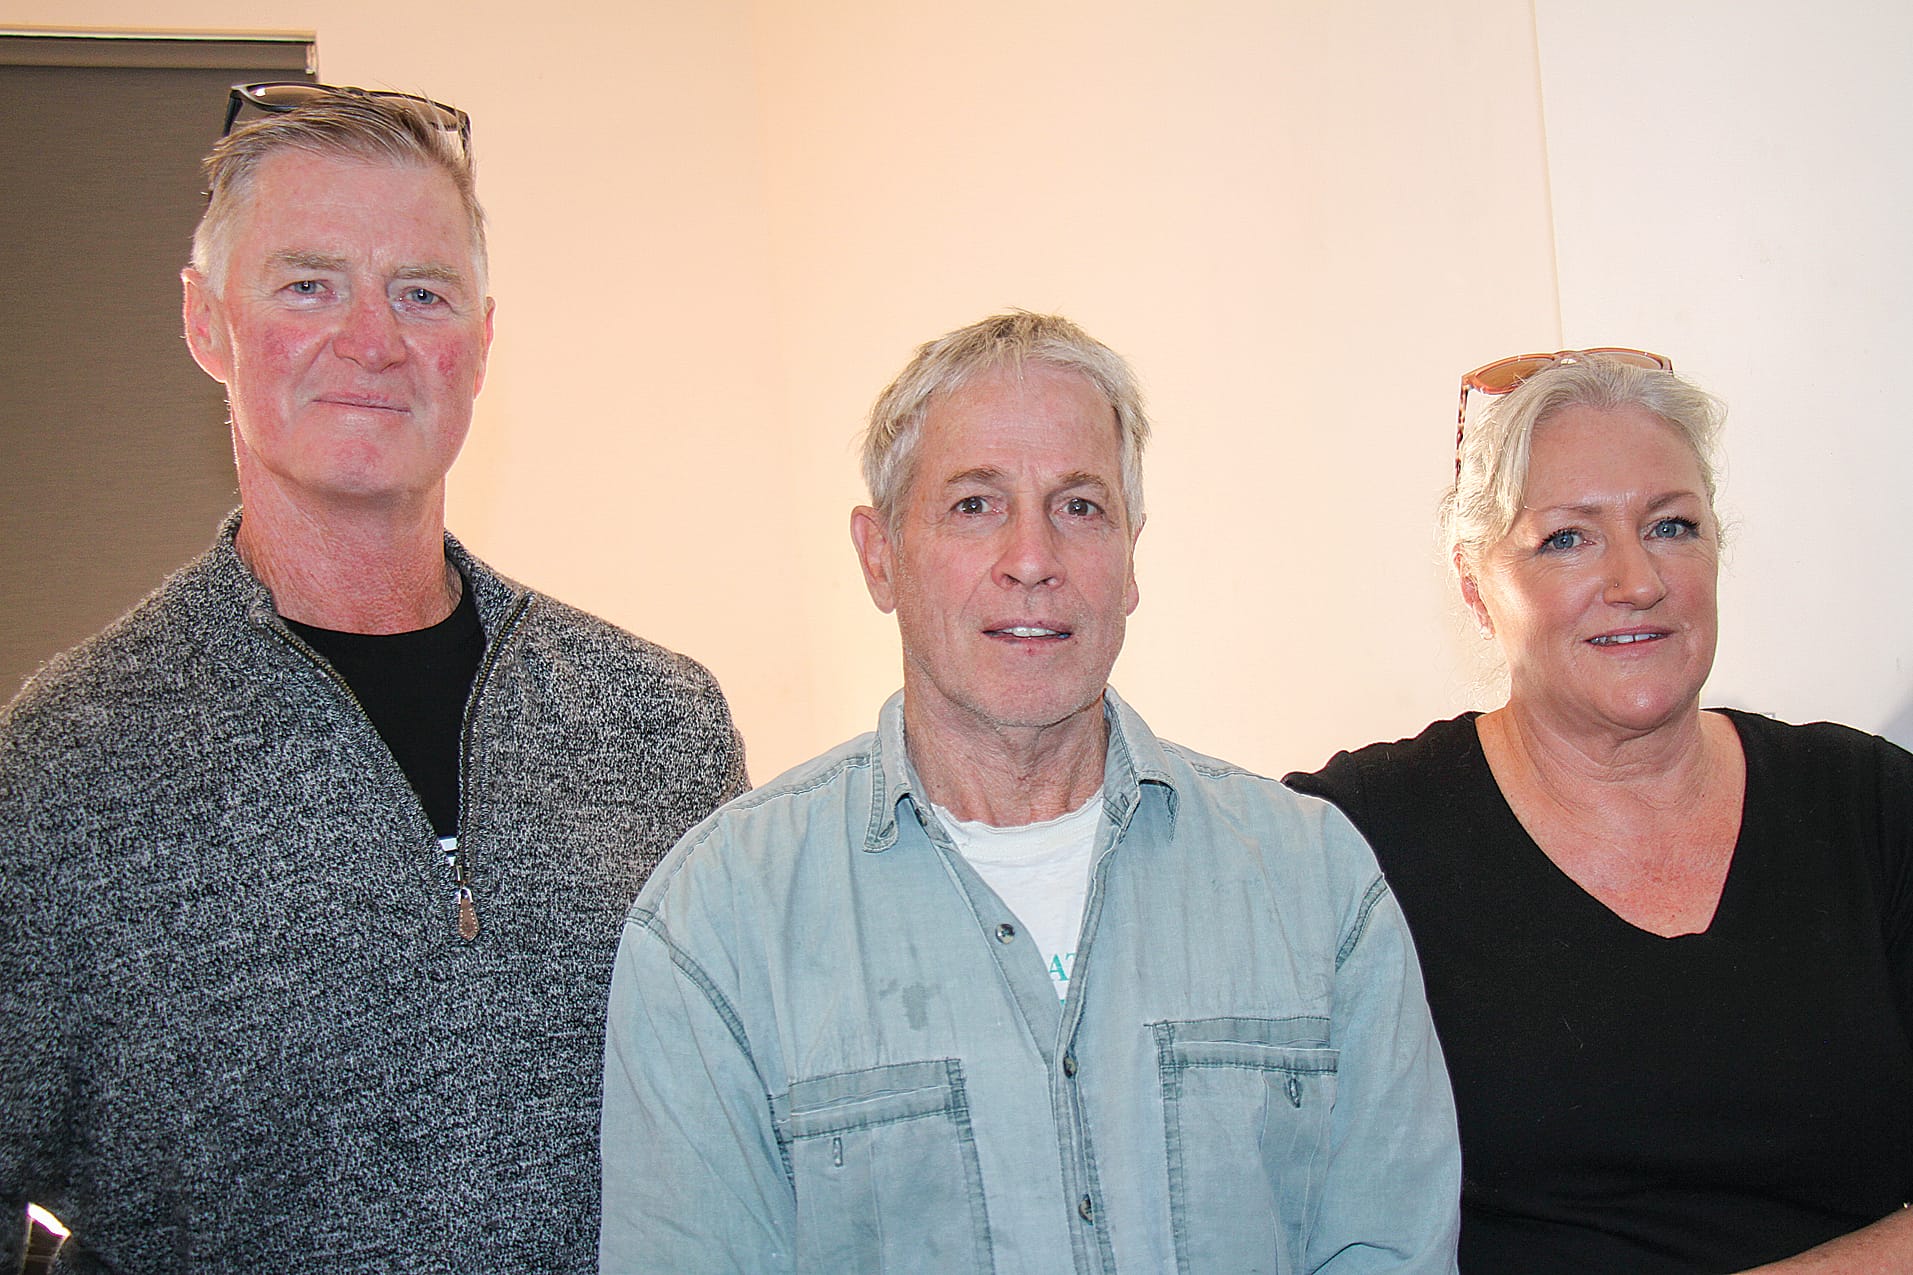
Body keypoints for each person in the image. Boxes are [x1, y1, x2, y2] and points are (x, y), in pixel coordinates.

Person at [0, 85, 746, 1273]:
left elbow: (751, 1152)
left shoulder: (661, 725)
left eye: (422, 293)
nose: (373, 340)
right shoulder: (55, 777)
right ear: (206, 325)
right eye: (308, 285)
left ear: (482, 342)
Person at [598, 311, 1460, 1273]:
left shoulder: (1315, 881)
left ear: (1131, 553)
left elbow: (1392, 1248)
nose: (1032, 557)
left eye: (1079, 506)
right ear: (878, 554)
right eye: (974, 504)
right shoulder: (717, 923)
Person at [1287, 349, 1913, 1273]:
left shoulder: (1867, 806)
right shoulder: (1353, 838)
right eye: (1566, 538)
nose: (1635, 581)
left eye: (1670, 525)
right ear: (1473, 584)